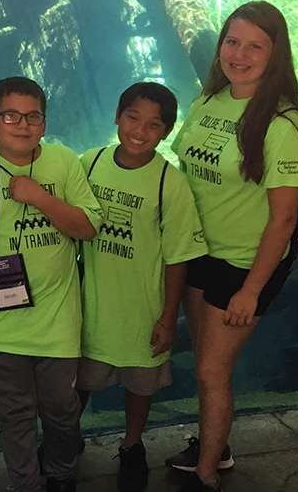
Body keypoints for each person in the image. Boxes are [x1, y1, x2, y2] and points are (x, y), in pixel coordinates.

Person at [163, 1, 298, 492]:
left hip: (246, 263)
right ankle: (215, 448)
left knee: (210, 372)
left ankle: (205, 475)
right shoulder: (211, 99)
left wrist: (252, 290)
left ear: (276, 54)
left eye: (255, 46)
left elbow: (285, 218)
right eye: (232, 41)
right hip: (200, 252)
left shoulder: (282, 125)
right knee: (208, 364)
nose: (239, 54)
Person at [0, 76, 103, 492]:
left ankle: (63, 474)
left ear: (44, 125)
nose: (22, 125)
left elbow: (86, 229)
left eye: (33, 117)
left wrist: (39, 197)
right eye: (10, 116)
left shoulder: (63, 162)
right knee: (14, 415)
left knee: (62, 410)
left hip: (57, 322)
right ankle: (25, 484)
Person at [76, 82, 208, 491]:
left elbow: (178, 256)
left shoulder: (170, 183)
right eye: (133, 117)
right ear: (117, 117)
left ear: (166, 132)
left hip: (142, 308)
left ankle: (132, 446)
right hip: (90, 306)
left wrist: (169, 318)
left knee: (140, 385)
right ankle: (66, 441)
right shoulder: (90, 164)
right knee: (77, 382)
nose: (139, 130)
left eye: (154, 125)